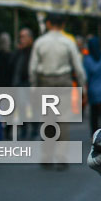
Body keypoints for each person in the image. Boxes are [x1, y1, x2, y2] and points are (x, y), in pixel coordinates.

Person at [30, 13, 86, 169]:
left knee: (47, 120)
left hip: (45, 83)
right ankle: (61, 157)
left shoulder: (40, 42)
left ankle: (46, 155)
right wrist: (83, 86)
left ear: (48, 24)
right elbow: (78, 67)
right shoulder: (68, 42)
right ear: (63, 25)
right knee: (63, 120)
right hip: (63, 83)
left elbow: (33, 68)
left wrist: (34, 87)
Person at [10, 27, 36, 141]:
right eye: (20, 37)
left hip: (32, 83)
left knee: (34, 106)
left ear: (30, 38)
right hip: (20, 83)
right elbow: (11, 64)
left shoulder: (35, 51)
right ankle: (24, 130)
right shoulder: (19, 51)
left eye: (24, 37)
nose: (22, 39)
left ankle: (35, 129)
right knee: (21, 106)